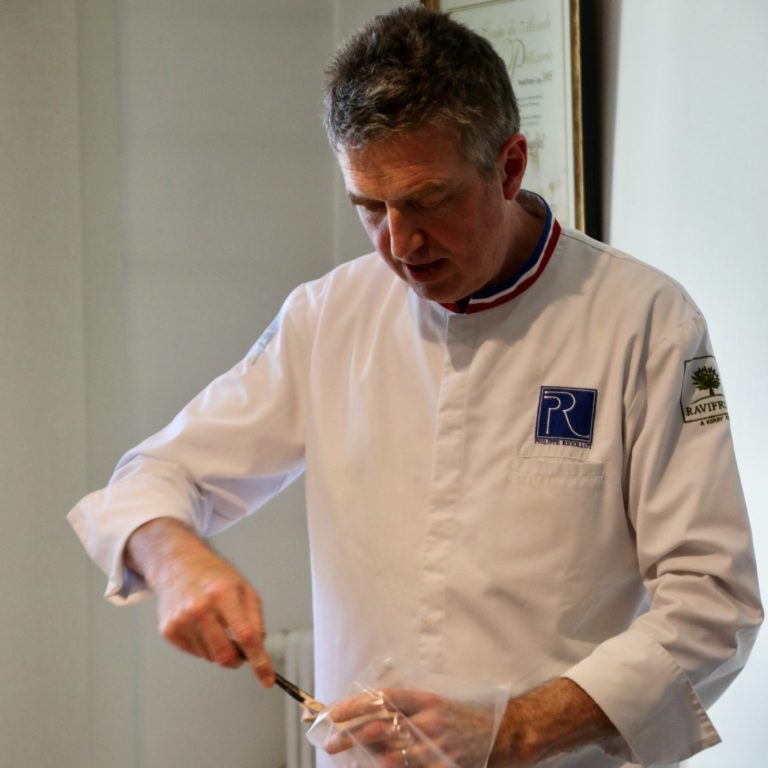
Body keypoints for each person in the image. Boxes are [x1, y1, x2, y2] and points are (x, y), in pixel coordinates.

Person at [68, 5, 762, 767]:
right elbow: (157, 473)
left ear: (510, 166)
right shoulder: (329, 315)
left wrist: (514, 729)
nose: (400, 244)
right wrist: (174, 559)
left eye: (428, 199)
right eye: (370, 207)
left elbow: (712, 602)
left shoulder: (644, 318)